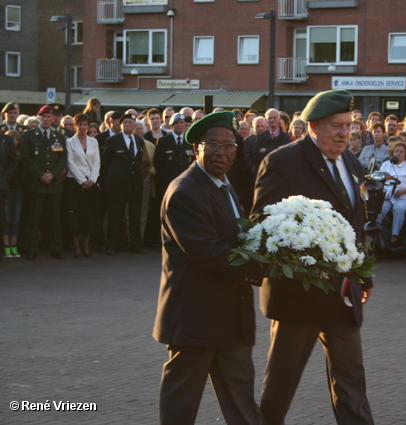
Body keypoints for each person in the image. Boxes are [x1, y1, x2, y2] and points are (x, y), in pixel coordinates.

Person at [252, 89, 374, 425]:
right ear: (313, 126)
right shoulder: (282, 161)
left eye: (349, 126)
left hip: (342, 296)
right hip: (298, 297)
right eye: (337, 125)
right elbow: (261, 224)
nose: (344, 133)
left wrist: (363, 275)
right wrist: (304, 248)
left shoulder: (351, 162)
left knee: (352, 383)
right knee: (280, 388)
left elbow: (356, 228)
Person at [153, 110, 263, 425]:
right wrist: (263, 268)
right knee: (181, 406)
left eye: (229, 145)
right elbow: (209, 253)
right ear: (196, 148)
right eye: (213, 145)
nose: (221, 153)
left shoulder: (224, 186)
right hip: (195, 321)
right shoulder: (185, 191)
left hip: (231, 320)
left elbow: (236, 237)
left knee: (243, 405)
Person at [20, 105, 68, 260]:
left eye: (49, 117)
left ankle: (56, 248)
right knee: (33, 218)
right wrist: (40, 175)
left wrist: (52, 175)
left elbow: (62, 159)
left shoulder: (58, 137)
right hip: (36, 183)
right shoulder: (28, 135)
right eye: (43, 117)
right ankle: (31, 249)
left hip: (53, 184)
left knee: (55, 218)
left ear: (54, 118)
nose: (46, 120)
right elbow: (25, 158)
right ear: (38, 118)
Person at [100, 113, 148, 256]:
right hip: (117, 185)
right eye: (125, 122)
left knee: (135, 216)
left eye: (131, 122)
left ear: (135, 125)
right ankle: (111, 245)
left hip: (134, 184)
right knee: (115, 216)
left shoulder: (139, 141)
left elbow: (139, 162)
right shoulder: (113, 140)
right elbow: (104, 164)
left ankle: (136, 244)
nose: (128, 124)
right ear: (121, 125)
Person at [64, 114, 100, 258]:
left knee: (89, 214)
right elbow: (70, 163)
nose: (83, 127)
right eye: (80, 124)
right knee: (75, 215)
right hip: (74, 183)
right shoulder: (70, 143)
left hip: (91, 183)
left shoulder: (93, 141)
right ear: (75, 125)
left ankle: (86, 245)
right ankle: (76, 245)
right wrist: (82, 181)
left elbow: (97, 161)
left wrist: (91, 180)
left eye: (85, 125)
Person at [379, 140, 406, 246]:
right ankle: (376, 232)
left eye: (401, 151)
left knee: (399, 209)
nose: (398, 153)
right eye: (396, 151)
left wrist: (404, 190)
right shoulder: (386, 165)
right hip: (387, 196)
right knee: (379, 208)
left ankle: (395, 235)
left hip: (405, 197)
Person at [2, 130, 21, 259]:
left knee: (11, 218)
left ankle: (11, 246)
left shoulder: (6, 140)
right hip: (4, 186)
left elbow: (14, 162)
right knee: (6, 218)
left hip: (6, 185)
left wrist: (3, 177)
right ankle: (5, 247)